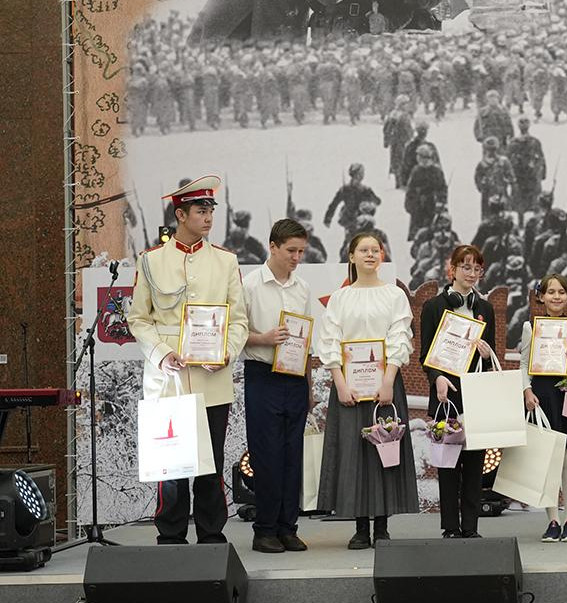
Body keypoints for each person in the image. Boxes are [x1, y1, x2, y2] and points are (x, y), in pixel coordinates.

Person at [127, 175, 249, 545]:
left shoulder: (225, 261)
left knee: (211, 462)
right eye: (200, 210)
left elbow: (239, 320)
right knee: (171, 463)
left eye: (211, 210)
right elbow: (138, 318)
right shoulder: (151, 261)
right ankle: (170, 535)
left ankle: (212, 533)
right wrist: (160, 353)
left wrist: (227, 351)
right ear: (180, 214)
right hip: (168, 377)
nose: (208, 217)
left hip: (212, 377)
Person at [316, 232, 419, 549]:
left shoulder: (394, 295)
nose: (370, 255)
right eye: (364, 250)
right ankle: (360, 528)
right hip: (348, 387)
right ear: (352, 256)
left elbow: (399, 336)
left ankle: (382, 527)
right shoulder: (340, 298)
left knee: (385, 451)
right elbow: (330, 340)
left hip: (385, 385)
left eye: (376, 250)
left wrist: (388, 381)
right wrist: (340, 383)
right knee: (354, 453)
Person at [241, 219, 314, 553]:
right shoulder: (250, 285)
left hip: (295, 377)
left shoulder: (302, 288)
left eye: (301, 251)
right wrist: (264, 338)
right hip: (262, 374)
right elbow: (235, 334)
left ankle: (288, 527)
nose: (296, 258)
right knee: (267, 454)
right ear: (272, 246)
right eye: (291, 251)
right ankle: (264, 530)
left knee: (292, 455)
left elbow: (307, 340)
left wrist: (308, 386)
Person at [419, 244, 499, 539]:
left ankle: (471, 527)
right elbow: (425, 355)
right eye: (466, 267)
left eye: (477, 268)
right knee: (448, 464)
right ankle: (451, 527)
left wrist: (487, 354)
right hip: (446, 394)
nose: (472, 273)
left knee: (475, 465)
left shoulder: (485, 309)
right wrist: (437, 377)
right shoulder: (433, 307)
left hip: (475, 395)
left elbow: (491, 359)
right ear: (452, 269)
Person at [519, 274, 567, 543]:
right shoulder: (530, 326)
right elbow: (523, 364)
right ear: (541, 297)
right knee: (547, 460)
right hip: (541, 396)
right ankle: (552, 520)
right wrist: (526, 391)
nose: (556, 296)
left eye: (561, 292)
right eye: (551, 292)